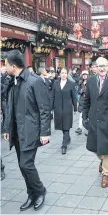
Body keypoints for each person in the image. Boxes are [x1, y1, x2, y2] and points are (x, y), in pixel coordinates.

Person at [2, 50, 51, 211]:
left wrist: (45, 132)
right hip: (16, 131)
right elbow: (9, 107)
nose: (4, 66)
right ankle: (32, 194)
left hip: (30, 131)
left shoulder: (34, 81)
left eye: (6, 64)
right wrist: (6, 128)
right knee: (22, 165)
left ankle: (39, 190)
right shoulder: (12, 81)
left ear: (13, 66)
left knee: (26, 164)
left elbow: (44, 108)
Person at [82, 57, 108, 188]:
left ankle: (106, 174)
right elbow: (86, 101)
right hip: (94, 120)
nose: (101, 68)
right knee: (95, 148)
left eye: (104, 66)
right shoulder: (90, 81)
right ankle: (102, 161)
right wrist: (84, 117)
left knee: (107, 149)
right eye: (99, 66)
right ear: (95, 67)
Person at [52, 68, 77, 154]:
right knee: (61, 126)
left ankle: (64, 145)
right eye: (62, 73)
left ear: (67, 74)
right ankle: (67, 137)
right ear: (59, 74)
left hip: (67, 108)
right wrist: (51, 108)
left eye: (65, 73)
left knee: (66, 125)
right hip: (58, 108)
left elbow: (74, 96)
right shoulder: (55, 83)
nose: (63, 74)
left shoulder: (71, 84)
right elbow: (52, 96)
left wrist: (75, 108)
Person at [76, 70, 89, 135]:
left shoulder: (90, 82)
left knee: (88, 115)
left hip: (88, 100)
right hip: (82, 99)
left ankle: (88, 129)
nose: (84, 76)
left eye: (85, 75)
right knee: (81, 114)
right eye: (83, 75)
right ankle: (80, 128)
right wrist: (81, 90)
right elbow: (78, 91)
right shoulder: (80, 82)